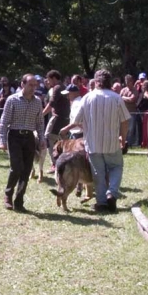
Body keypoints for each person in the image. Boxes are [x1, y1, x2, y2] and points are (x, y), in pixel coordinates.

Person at [60, 69, 129, 213]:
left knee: (98, 173)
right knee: (116, 167)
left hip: (92, 143)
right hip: (112, 143)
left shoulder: (87, 98)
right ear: (110, 81)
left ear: (96, 81)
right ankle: (112, 192)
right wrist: (123, 138)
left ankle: (102, 203)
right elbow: (124, 122)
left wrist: (83, 126)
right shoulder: (117, 98)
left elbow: (77, 121)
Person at [0, 74, 45, 212]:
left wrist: (42, 139)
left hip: (30, 137)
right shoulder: (12, 100)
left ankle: (19, 201)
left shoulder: (37, 102)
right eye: (30, 85)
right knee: (17, 167)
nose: (33, 88)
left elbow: (40, 123)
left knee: (26, 170)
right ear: (22, 84)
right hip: (14, 136)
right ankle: (8, 194)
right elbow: (4, 121)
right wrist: (2, 140)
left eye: (35, 85)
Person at [42, 70, 70, 173]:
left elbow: (51, 104)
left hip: (58, 118)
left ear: (54, 78)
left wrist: (41, 115)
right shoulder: (63, 87)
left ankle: (55, 164)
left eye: (49, 79)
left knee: (48, 137)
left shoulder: (57, 88)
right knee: (63, 141)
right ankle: (65, 162)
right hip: (65, 118)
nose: (48, 82)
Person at [120, 74, 139, 146]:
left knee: (130, 129)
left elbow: (132, 99)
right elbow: (119, 98)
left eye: (128, 81)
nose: (127, 83)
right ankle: (122, 143)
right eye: (126, 81)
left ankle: (129, 144)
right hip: (123, 113)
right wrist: (125, 98)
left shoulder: (135, 90)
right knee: (123, 129)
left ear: (132, 81)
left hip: (132, 113)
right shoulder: (123, 90)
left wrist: (123, 97)